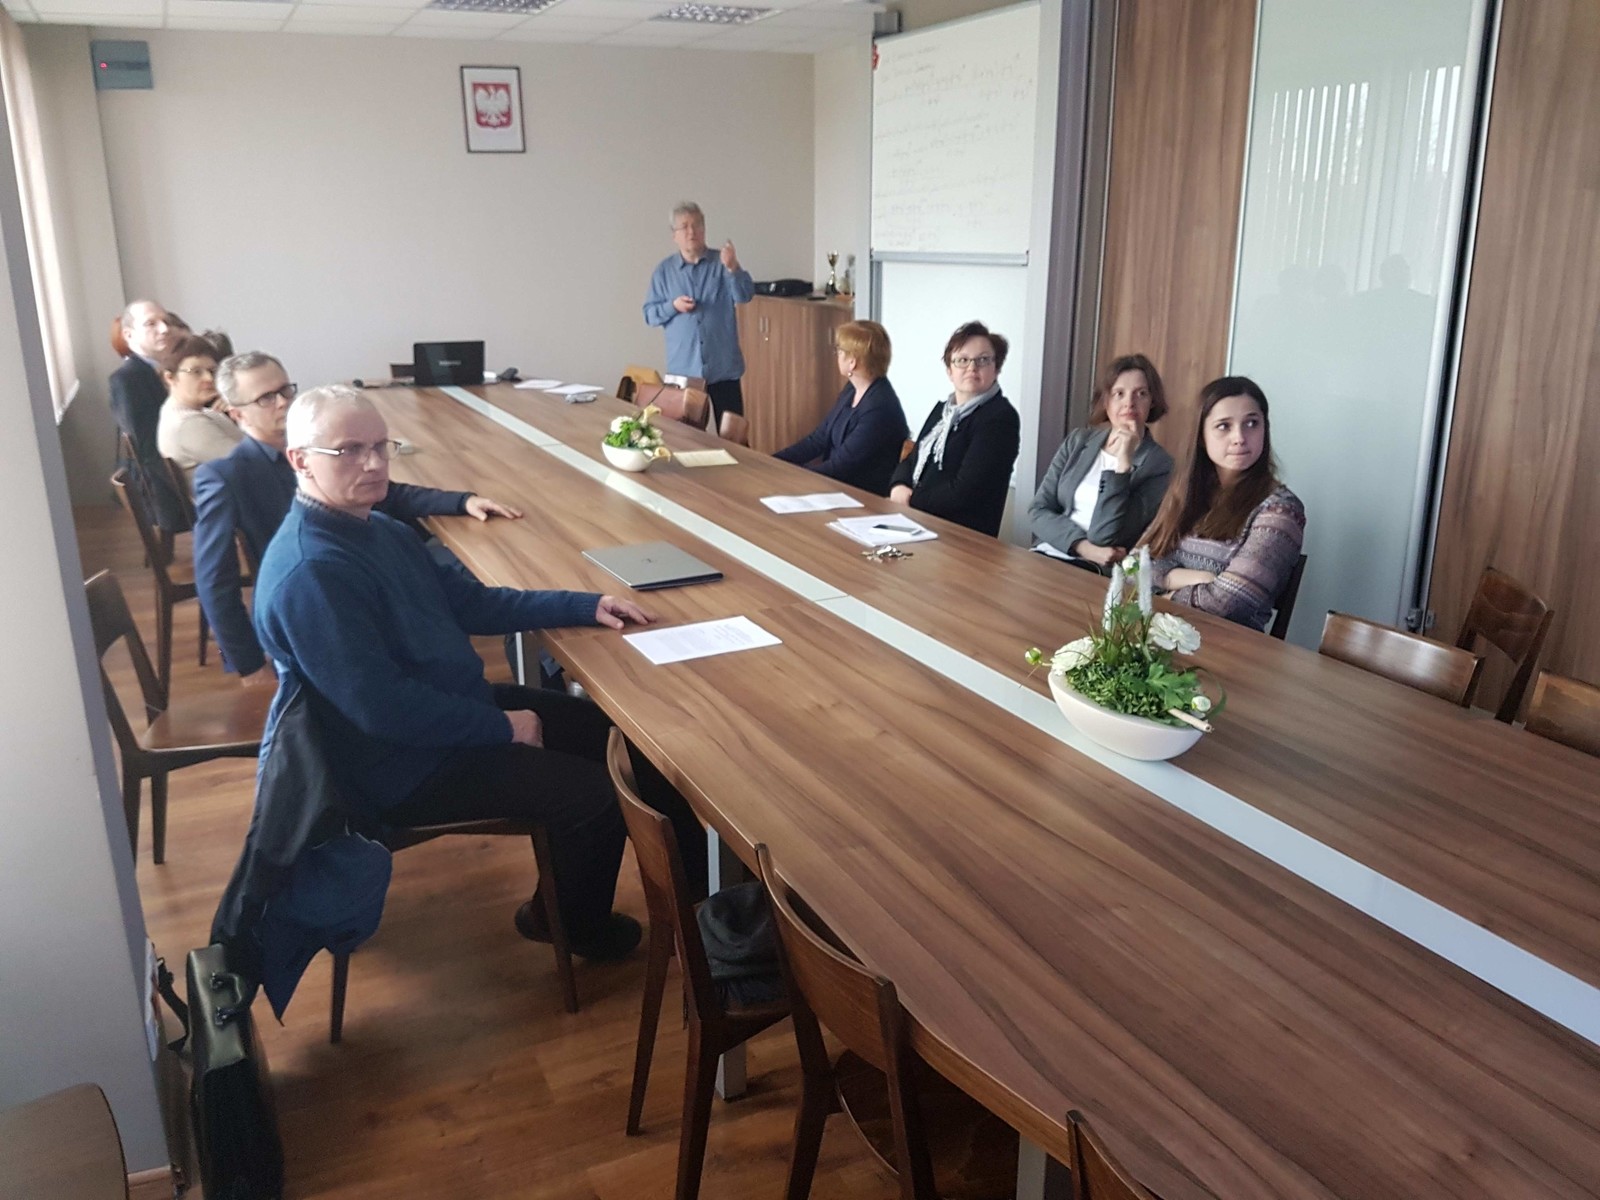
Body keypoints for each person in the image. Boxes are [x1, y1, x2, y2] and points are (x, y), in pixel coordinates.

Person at [252, 385, 704, 959]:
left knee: (625, 738)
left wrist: (585, 605)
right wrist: (502, 727)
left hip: (446, 714)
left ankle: (707, 913)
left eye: (380, 446)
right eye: (349, 451)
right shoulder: (312, 572)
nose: (373, 464)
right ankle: (568, 924)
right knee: (594, 797)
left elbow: (473, 605)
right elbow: (382, 709)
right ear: (300, 460)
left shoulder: (379, 529)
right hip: (401, 765)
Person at [194, 353, 521, 684]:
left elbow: (392, 494)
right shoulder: (226, 476)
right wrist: (246, 663)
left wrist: (462, 501)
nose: (283, 402)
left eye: (285, 390)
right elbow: (214, 579)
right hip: (317, 609)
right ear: (236, 414)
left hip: (370, 576)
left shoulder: (321, 443)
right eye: (265, 398)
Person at [1142, 375, 1305, 631]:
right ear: (1201, 436)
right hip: (1162, 632)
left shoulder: (1281, 510)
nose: (1239, 437)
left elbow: (1229, 603)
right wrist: (1195, 578)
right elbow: (1133, 567)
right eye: (1223, 426)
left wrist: (1165, 597)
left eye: (1251, 423)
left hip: (1229, 644)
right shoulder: (1187, 492)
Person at [1028, 353, 1174, 571]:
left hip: (1093, 570)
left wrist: (1123, 466)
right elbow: (1038, 510)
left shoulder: (1160, 465)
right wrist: (1083, 547)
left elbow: (1105, 536)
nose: (1129, 403)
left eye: (1141, 393)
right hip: (1048, 552)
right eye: (1119, 394)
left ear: (1152, 402)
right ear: (1106, 401)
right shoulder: (1078, 442)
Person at [888, 321, 1020, 537]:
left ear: (996, 368)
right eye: (962, 360)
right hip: (917, 521)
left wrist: (910, 499)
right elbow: (912, 459)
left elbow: (964, 491)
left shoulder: (1000, 418)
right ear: (950, 371)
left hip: (959, 537)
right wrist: (898, 484)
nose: (972, 368)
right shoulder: (942, 411)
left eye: (982, 360)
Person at [643, 201, 753, 418]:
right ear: (674, 235)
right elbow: (649, 315)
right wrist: (673, 306)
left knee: (733, 432)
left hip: (723, 368)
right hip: (683, 371)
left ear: (704, 230)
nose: (691, 232)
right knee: (684, 434)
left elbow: (745, 295)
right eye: (684, 227)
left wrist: (733, 268)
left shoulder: (722, 263)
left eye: (697, 225)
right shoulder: (664, 271)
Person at [773, 320, 909, 496]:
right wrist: (773, 462)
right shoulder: (852, 389)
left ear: (852, 362)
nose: (837, 355)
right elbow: (817, 439)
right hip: (836, 488)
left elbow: (840, 467)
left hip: (861, 498)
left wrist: (789, 476)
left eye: (840, 351)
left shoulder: (880, 408)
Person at [110, 299, 187, 530]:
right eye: (151, 323)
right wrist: (192, 486)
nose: (164, 329)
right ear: (129, 335)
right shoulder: (127, 379)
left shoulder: (168, 369)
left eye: (166, 321)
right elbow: (147, 449)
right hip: (164, 494)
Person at [156, 333, 242, 481]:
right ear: (170, 377)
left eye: (212, 371)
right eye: (196, 372)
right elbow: (250, 465)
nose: (209, 378)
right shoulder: (188, 424)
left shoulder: (183, 412)